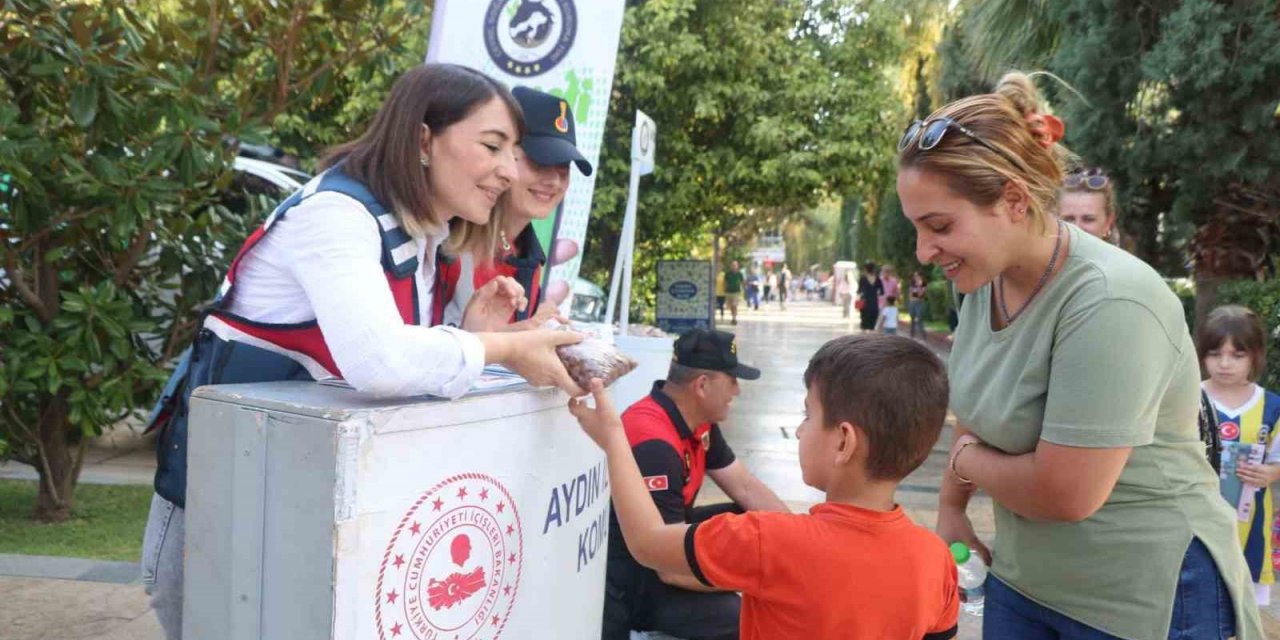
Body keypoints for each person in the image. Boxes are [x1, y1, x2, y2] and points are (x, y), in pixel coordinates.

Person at [139, 64, 586, 639]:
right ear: (424, 140)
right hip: (226, 521)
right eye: (493, 146)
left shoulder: (424, 238)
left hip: (303, 512)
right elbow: (378, 362)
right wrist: (502, 346)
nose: (509, 170)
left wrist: (473, 328)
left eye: (513, 151)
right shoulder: (337, 216)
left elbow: (406, 358)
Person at [901, 71, 1262, 638]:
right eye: (916, 229)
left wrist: (963, 460)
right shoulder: (980, 281)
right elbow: (978, 401)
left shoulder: (1111, 300)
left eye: (940, 226)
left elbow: (1064, 492)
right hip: (1027, 581)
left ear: (1015, 200)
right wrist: (951, 506)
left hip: (1144, 598)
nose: (923, 252)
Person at [570, 334, 959, 639]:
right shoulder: (937, 562)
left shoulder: (768, 541)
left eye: (808, 415)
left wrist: (613, 439)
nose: (801, 429)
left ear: (843, 442)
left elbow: (648, 542)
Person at [596, 329, 789, 640]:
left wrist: (801, 545)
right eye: (732, 380)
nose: (737, 391)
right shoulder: (654, 444)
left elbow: (745, 488)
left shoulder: (697, 422)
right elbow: (667, 567)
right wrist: (756, 580)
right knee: (739, 618)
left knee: (756, 522)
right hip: (638, 581)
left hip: (671, 539)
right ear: (702, 385)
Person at [438, 86, 593, 327]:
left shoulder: (529, 257)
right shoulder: (447, 240)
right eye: (540, 162)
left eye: (564, 168)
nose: (554, 181)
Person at [1197, 305, 1280, 606]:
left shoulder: (1272, 407)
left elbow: (1278, 459)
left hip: (1250, 525)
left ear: (1255, 355)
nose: (1224, 364)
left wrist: (1271, 473)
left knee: (1241, 603)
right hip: (1195, 523)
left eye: (1237, 355)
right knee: (1196, 596)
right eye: (1215, 354)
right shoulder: (1186, 399)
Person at [1060, 167, 1119, 243]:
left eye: (1088, 219)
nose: (1077, 228)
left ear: (1108, 223)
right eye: (1069, 219)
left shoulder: (1119, 255)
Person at [856, 261, 881, 332]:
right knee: (872, 325)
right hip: (874, 303)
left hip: (865, 303)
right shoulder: (878, 279)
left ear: (865, 269)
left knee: (864, 324)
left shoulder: (863, 278)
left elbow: (859, 291)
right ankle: (871, 340)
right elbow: (882, 292)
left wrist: (858, 300)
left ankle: (863, 341)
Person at [908, 271, 929, 340]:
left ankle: (923, 336)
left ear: (921, 276)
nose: (916, 278)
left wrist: (919, 286)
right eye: (915, 276)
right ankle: (911, 336)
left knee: (920, 319)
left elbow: (920, 295)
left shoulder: (924, 285)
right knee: (912, 319)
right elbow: (910, 295)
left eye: (917, 276)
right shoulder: (912, 284)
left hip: (920, 303)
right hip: (912, 303)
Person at [723, 261, 743, 325]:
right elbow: (725, 282)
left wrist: (744, 290)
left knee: (734, 305)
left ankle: (734, 318)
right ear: (731, 266)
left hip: (736, 292)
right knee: (731, 306)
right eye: (733, 265)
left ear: (737, 266)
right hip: (729, 292)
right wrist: (725, 290)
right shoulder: (727, 274)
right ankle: (733, 317)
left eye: (735, 265)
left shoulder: (739, 274)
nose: (734, 266)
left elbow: (742, 282)